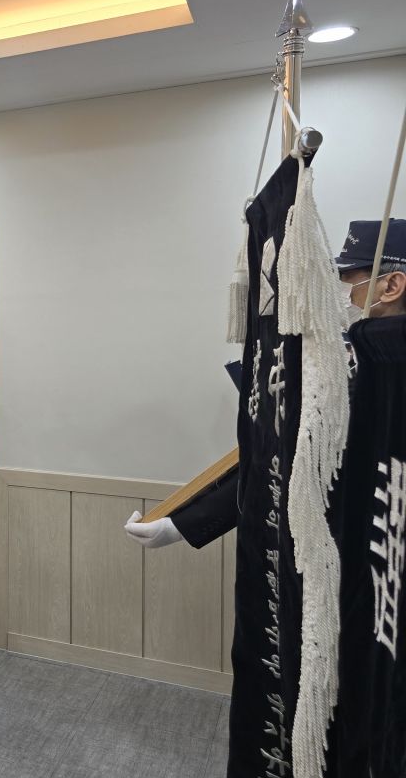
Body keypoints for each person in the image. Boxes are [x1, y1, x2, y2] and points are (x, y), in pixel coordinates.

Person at [123, 219, 406, 551]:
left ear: (391, 286)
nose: (338, 292)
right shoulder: (348, 356)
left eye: (347, 280)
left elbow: (309, 460)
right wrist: (182, 524)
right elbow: (283, 454)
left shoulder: (385, 374)